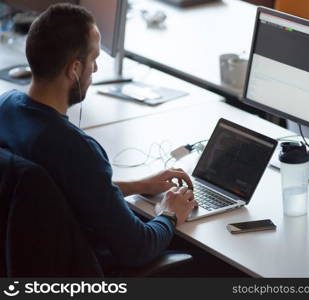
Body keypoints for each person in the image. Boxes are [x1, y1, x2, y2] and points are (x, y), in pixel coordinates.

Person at [0, 3, 197, 275]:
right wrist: (169, 213)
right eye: (93, 58)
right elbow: (137, 247)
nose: (94, 69)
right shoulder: (76, 150)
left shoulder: (5, 107)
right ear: (74, 70)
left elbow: (65, 189)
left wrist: (140, 184)